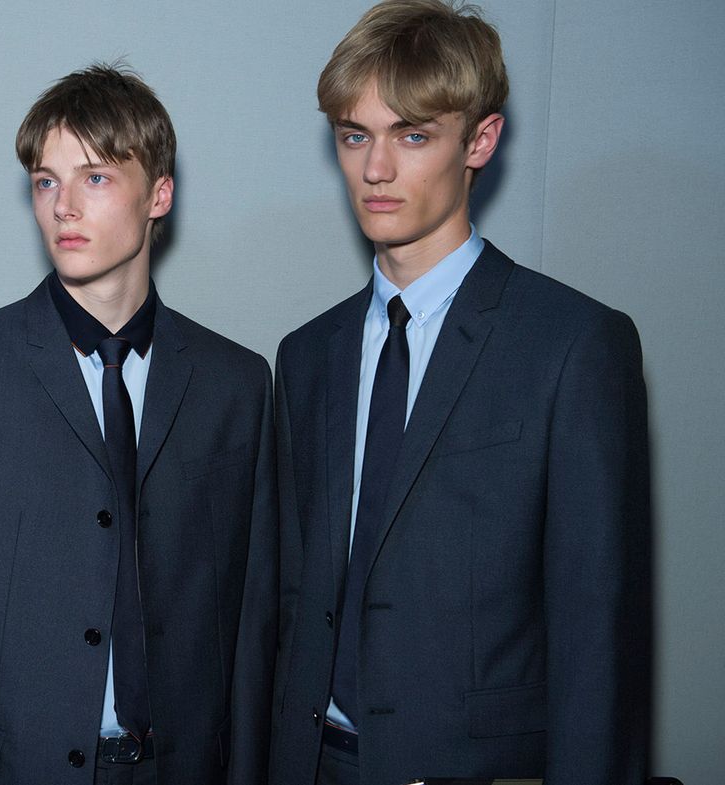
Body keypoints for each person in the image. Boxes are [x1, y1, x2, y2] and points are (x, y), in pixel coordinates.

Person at [269, 2, 651, 783]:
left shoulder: (573, 345)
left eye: (413, 135)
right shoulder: (306, 355)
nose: (376, 169)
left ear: (479, 140)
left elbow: (597, 637)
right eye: (354, 135)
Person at [0, 63, 277, 785]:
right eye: (46, 181)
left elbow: (253, 630)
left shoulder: (238, 385)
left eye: (95, 178)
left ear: (159, 194)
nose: (63, 206)